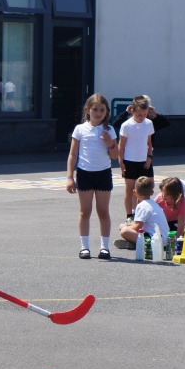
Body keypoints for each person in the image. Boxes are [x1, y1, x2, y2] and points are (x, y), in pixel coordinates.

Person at [67, 93, 119, 259]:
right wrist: (69, 177)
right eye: (95, 109)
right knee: (85, 212)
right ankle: (84, 247)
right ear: (87, 110)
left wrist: (110, 143)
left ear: (106, 112)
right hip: (85, 173)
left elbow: (115, 156)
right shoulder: (80, 129)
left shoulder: (109, 130)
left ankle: (104, 247)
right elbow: (73, 155)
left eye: (102, 110)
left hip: (103, 173)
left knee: (103, 211)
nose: (98, 113)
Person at [118, 95, 154, 223]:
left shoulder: (148, 123)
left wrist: (149, 157)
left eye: (144, 114)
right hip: (130, 161)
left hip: (144, 161)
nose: (142, 117)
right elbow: (121, 145)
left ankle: (141, 214)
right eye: (139, 115)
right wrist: (121, 163)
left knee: (144, 190)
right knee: (130, 189)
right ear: (132, 111)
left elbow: (149, 143)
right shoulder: (126, 125)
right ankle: (129, 215)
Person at [114, 176, 169, 250]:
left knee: (124, 231)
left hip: (156, 241)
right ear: (152, 192)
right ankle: (136, 243)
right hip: (164, 239)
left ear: (135, 192)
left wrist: (125, 227)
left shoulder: (142, 206)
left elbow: (137, 227)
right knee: (123, 226)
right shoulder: (154, 204)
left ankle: (140, 244)